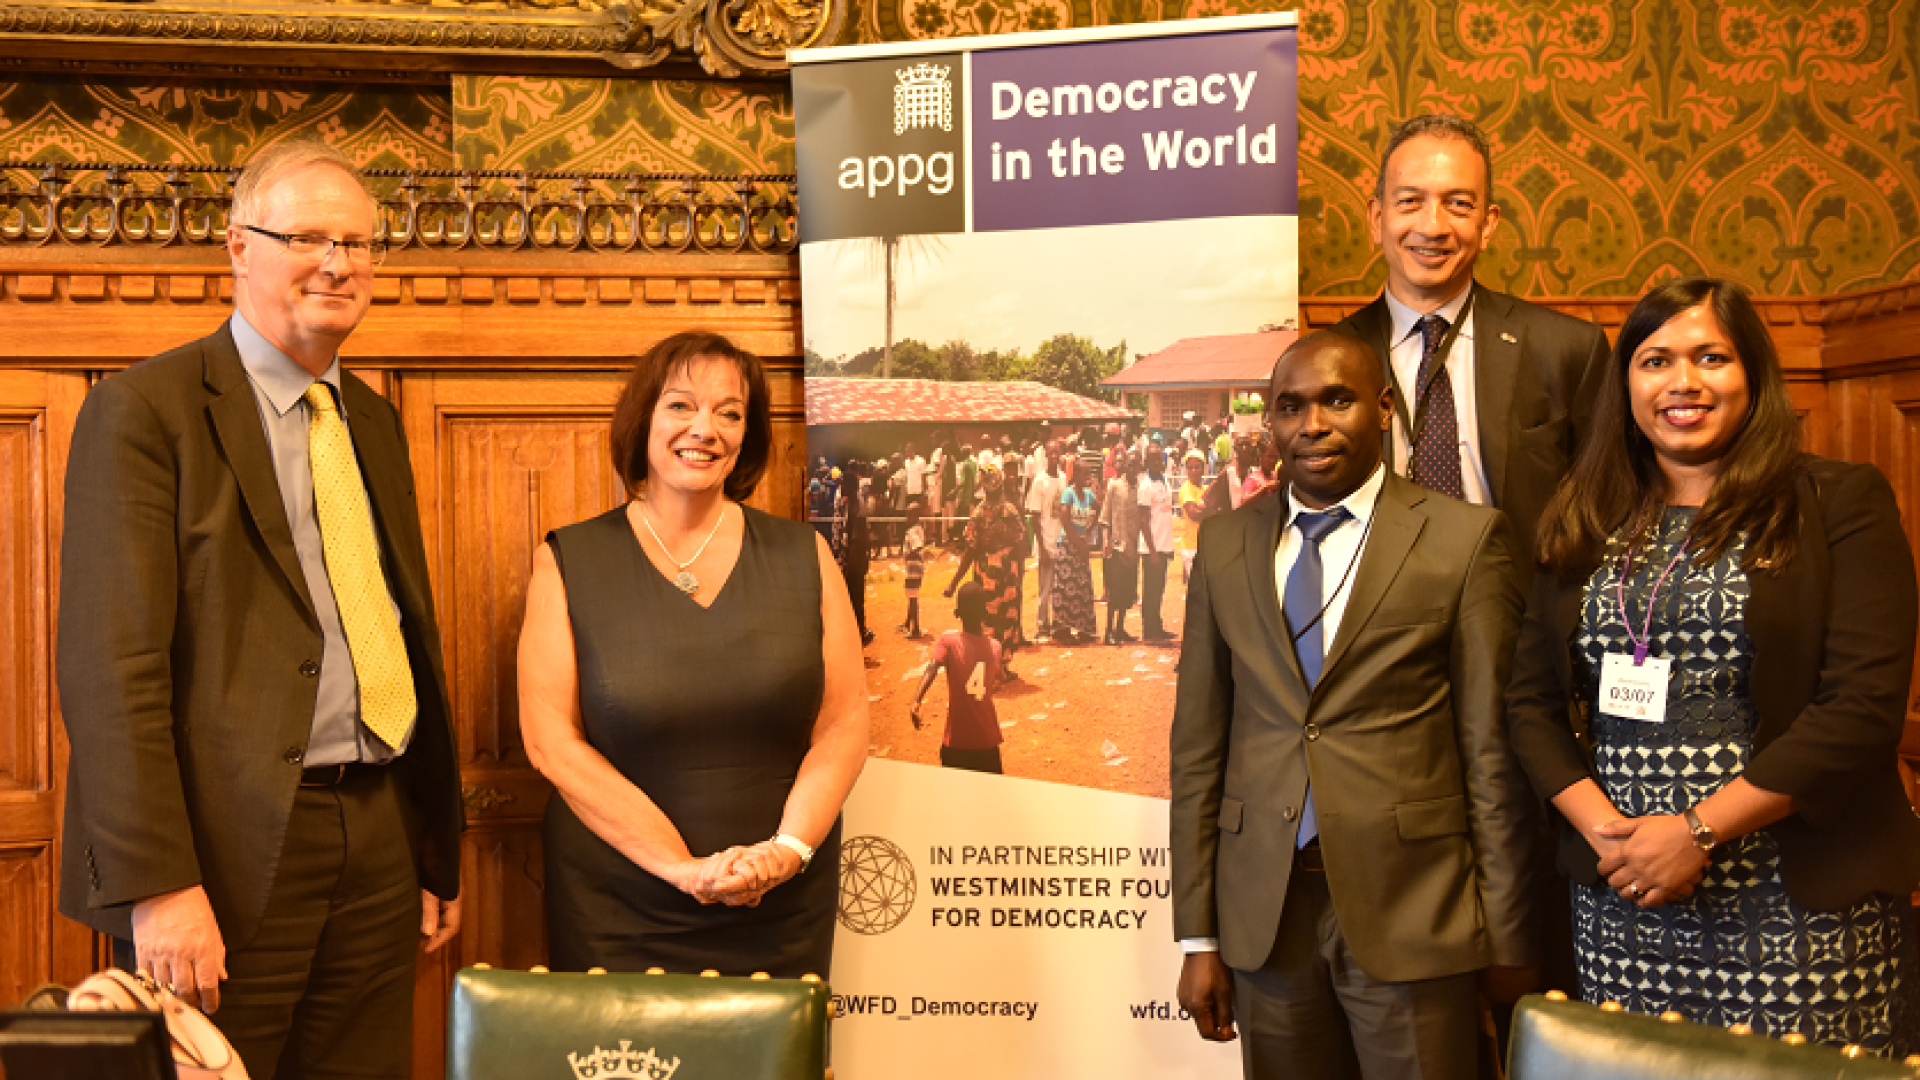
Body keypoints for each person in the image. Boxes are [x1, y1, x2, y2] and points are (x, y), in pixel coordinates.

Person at [55, 141, 464, 1079]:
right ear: (238, 247)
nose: (339, 263)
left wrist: (428, 849)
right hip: (225, 853)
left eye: (358, 243)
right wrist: (158, 887)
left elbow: (396, 626)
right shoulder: (145, 412)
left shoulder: (371, 417)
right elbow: (110, 670)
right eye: (309, 237)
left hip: (378, 834)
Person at [1505, 278, 1920, 1052]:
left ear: (1753, 374)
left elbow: (1862, 708)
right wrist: (1614, 840)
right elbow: (1528, 702)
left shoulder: (1837, 502)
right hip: (1625, 902)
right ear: (1625, 382)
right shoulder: (1585, 517)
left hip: (1801, 908)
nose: (1683, 383)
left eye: (1711, 357)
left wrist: (1696, 833)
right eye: (1656, 360)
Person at [1171, 331, 1534, 1080]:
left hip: (1416, 913)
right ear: (1267, 423)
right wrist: (1199, 939)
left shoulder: (1463, 542)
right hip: (1267, 919)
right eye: (1289, 407)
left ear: (1384, 407)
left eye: (1337, 399)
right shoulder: (1225, 545)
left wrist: (1505, 933)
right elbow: (1199, 748)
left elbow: (1488, 751)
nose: (1312, 424)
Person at [518, 330, 869, 978]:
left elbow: (845, 726)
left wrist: (787, 852)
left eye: (729, 413)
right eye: (681, 406)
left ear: (748, 434)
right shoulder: (569, 559)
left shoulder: (806, 556)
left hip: (780, 904)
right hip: (619, 910)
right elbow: (550, 743)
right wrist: (683, 869)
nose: (704, 428)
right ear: (643, 419)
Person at [1332, 113, 1607, 564]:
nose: (1434, 226)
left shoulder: (1568, 351)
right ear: (1377, 217)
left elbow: (1603, 510)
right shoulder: (1331, 359)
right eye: (1409, 202)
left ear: (1488, 222)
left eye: (1458, 204)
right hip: (1375, 629)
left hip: (1520, 624)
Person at [909, 583, 1006, 774]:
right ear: (984, 612)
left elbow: (932, 667)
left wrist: (916, 700)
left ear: (957, 613)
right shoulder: (995, 647)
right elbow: (998, 680)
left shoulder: (948, 642)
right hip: (987, 741)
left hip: (956, 742)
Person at [948, 465, 1026, 679]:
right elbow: (1021, 545)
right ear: (999, 484)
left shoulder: (978, 514)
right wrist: (1021, 571)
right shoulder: (1010, 511)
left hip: (985, 572)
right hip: (1008, 571)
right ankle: (1002, 667)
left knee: (988, 618)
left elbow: (970, 551)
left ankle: (991, 668)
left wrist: (954, 582)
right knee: (1008, 616)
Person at [1050, 459, 1099, 645]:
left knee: (1081, 588)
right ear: (1076, 474)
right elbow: (1065, 520)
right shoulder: (1068, 494)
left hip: (1081, 545)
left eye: (1089, 474)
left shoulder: (1088, 495)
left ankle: (1083, 628)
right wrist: (1079, 543)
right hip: (1068, 545)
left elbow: (1098, 510)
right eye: (1085, 474)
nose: (1088, 477)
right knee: (1066, 588)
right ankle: (1062, 629)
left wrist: (1089, 529)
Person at [1025, 441, 1067, 639]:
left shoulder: (1063, 478)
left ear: (1060, 455)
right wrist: (1041, 546)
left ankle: (1058, 622)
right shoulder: (1039, 481)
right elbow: (1034, 516)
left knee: (1059, 586)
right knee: (1045, 586)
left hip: (1060, 540)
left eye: (1056, 452)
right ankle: (1043, 624)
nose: (1053, 456)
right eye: (1050, 452)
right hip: (1045, 540)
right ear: (1046, 454)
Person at [1102, 450, 1144, 645]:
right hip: (1117, 547)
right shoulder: (1115, 487)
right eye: (1130, 464)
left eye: (1137, 465)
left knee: (1127, 592)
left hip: (1133, 549)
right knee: (1114, 593)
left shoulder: (1141, 490)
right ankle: (1108, 632)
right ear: (1125, 465)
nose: (1133, 468)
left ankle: (1120, 629)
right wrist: (1106, 541)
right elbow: (1105, 517)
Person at [1137, 447, 1176, 642]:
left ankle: (1157, 626)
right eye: (1152, 458)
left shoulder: (1164, 480)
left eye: (1158, 458)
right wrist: (1152, 551)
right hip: (1151, 547)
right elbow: (1143, 521)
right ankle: (1149, 630)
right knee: (1151, 589)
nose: (1156, 462)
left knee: (1159, 588)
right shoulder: (1145, 486)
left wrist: (1168, 548)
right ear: (1146, 461)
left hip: (1164, 545)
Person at [1176, 450, 1210, 582]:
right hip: (1191, 547)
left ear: (1203, 468)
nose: (1193, 471)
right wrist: (1211, 509)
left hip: (1204, 546)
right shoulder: (1186, 488)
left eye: (1197, 467)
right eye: (1190, 467)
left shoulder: (1205, 489)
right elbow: (1194, 514)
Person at [900, 502, 927, 639]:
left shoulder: (912, 531)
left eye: (909, 514)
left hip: (913, 568)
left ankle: (915, 629)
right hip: (916, 567)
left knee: (912, 598)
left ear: (916, 515)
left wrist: (908, 553)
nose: (906, 517)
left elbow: (918, 546)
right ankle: (907, 623)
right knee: (912, 596)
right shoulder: (918, 529)